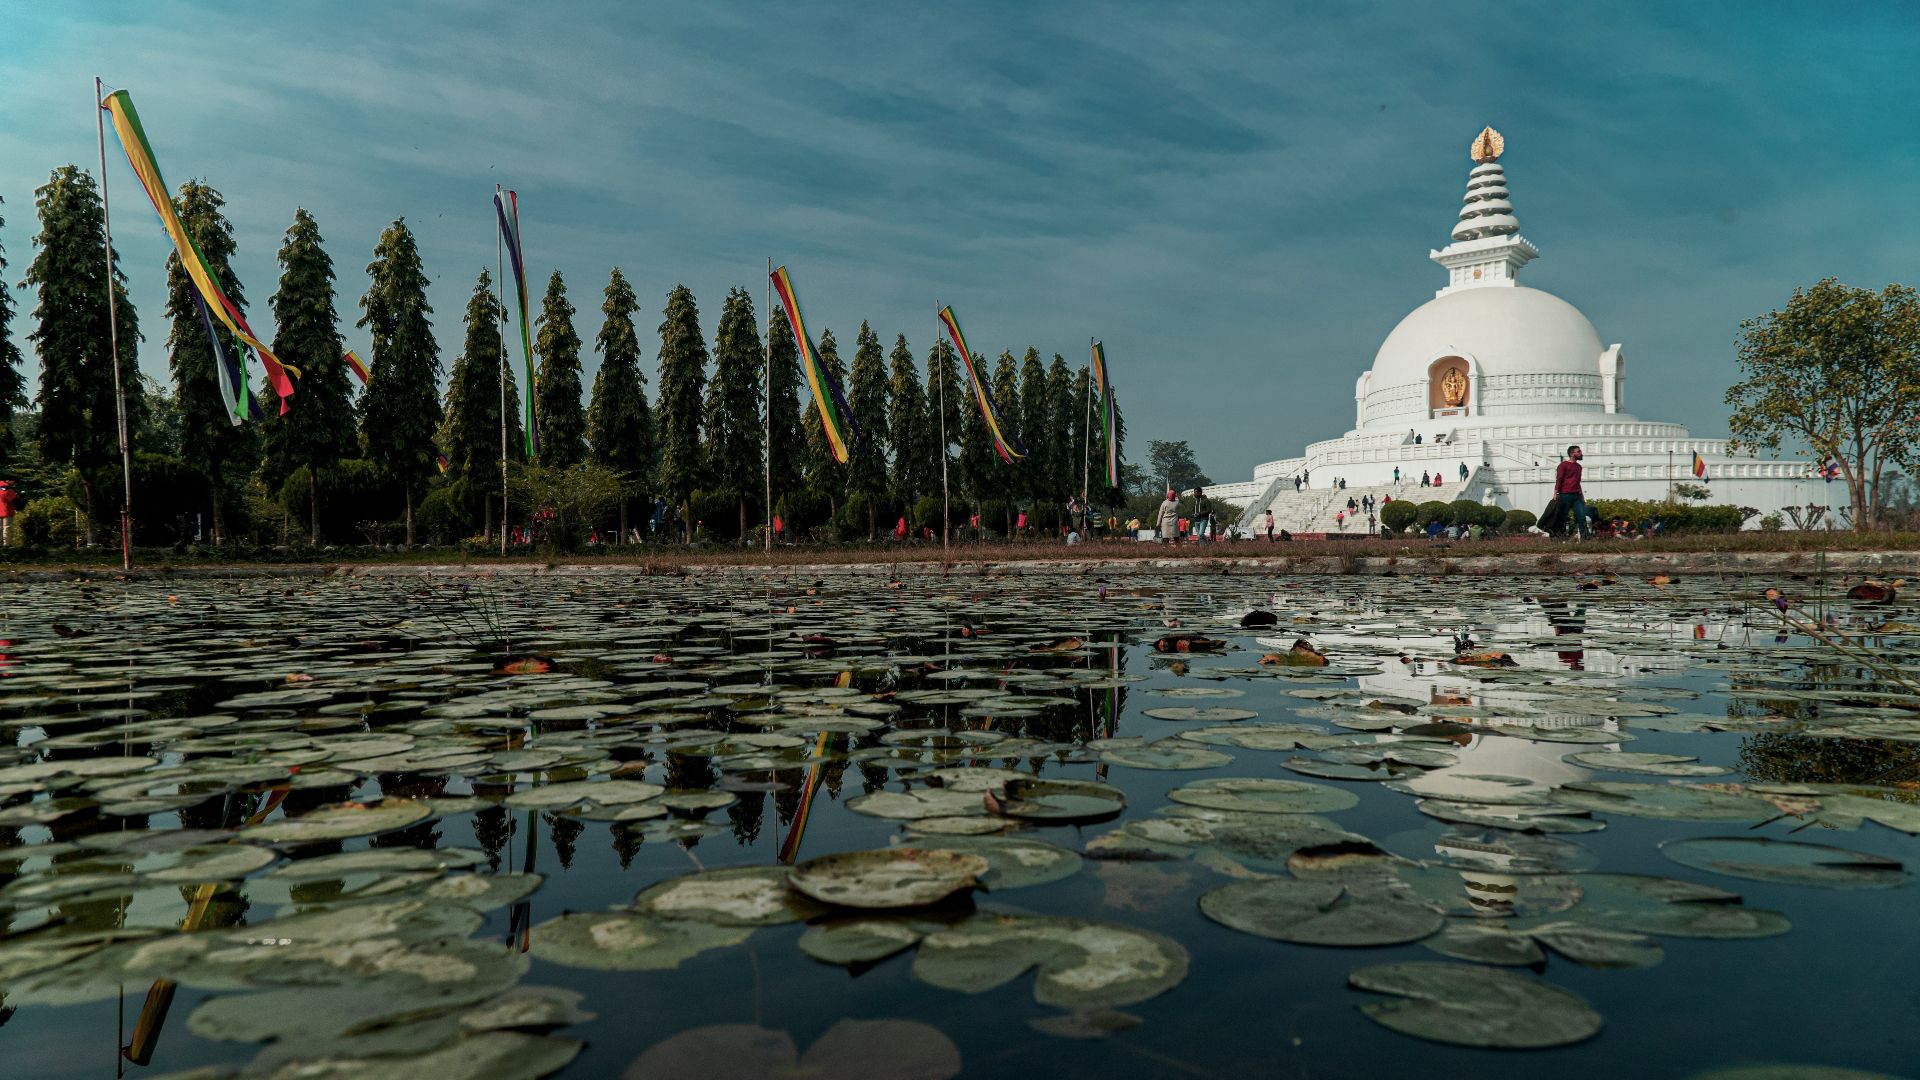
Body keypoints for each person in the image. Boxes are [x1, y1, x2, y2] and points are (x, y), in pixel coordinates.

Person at [1555, 445, 1589, 540]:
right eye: (1578, 452)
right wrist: (1555, 494)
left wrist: (1582, 496)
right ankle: (1559, 538)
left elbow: (1578, 482)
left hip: (1576, 495)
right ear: (1572, 454)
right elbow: (1559, 480)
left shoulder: (1579, 467)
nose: (1581, 453)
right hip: (1565, 495)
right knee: (1562, 518)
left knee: (1582, 517)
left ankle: (1585, 539)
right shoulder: (1563, 465)